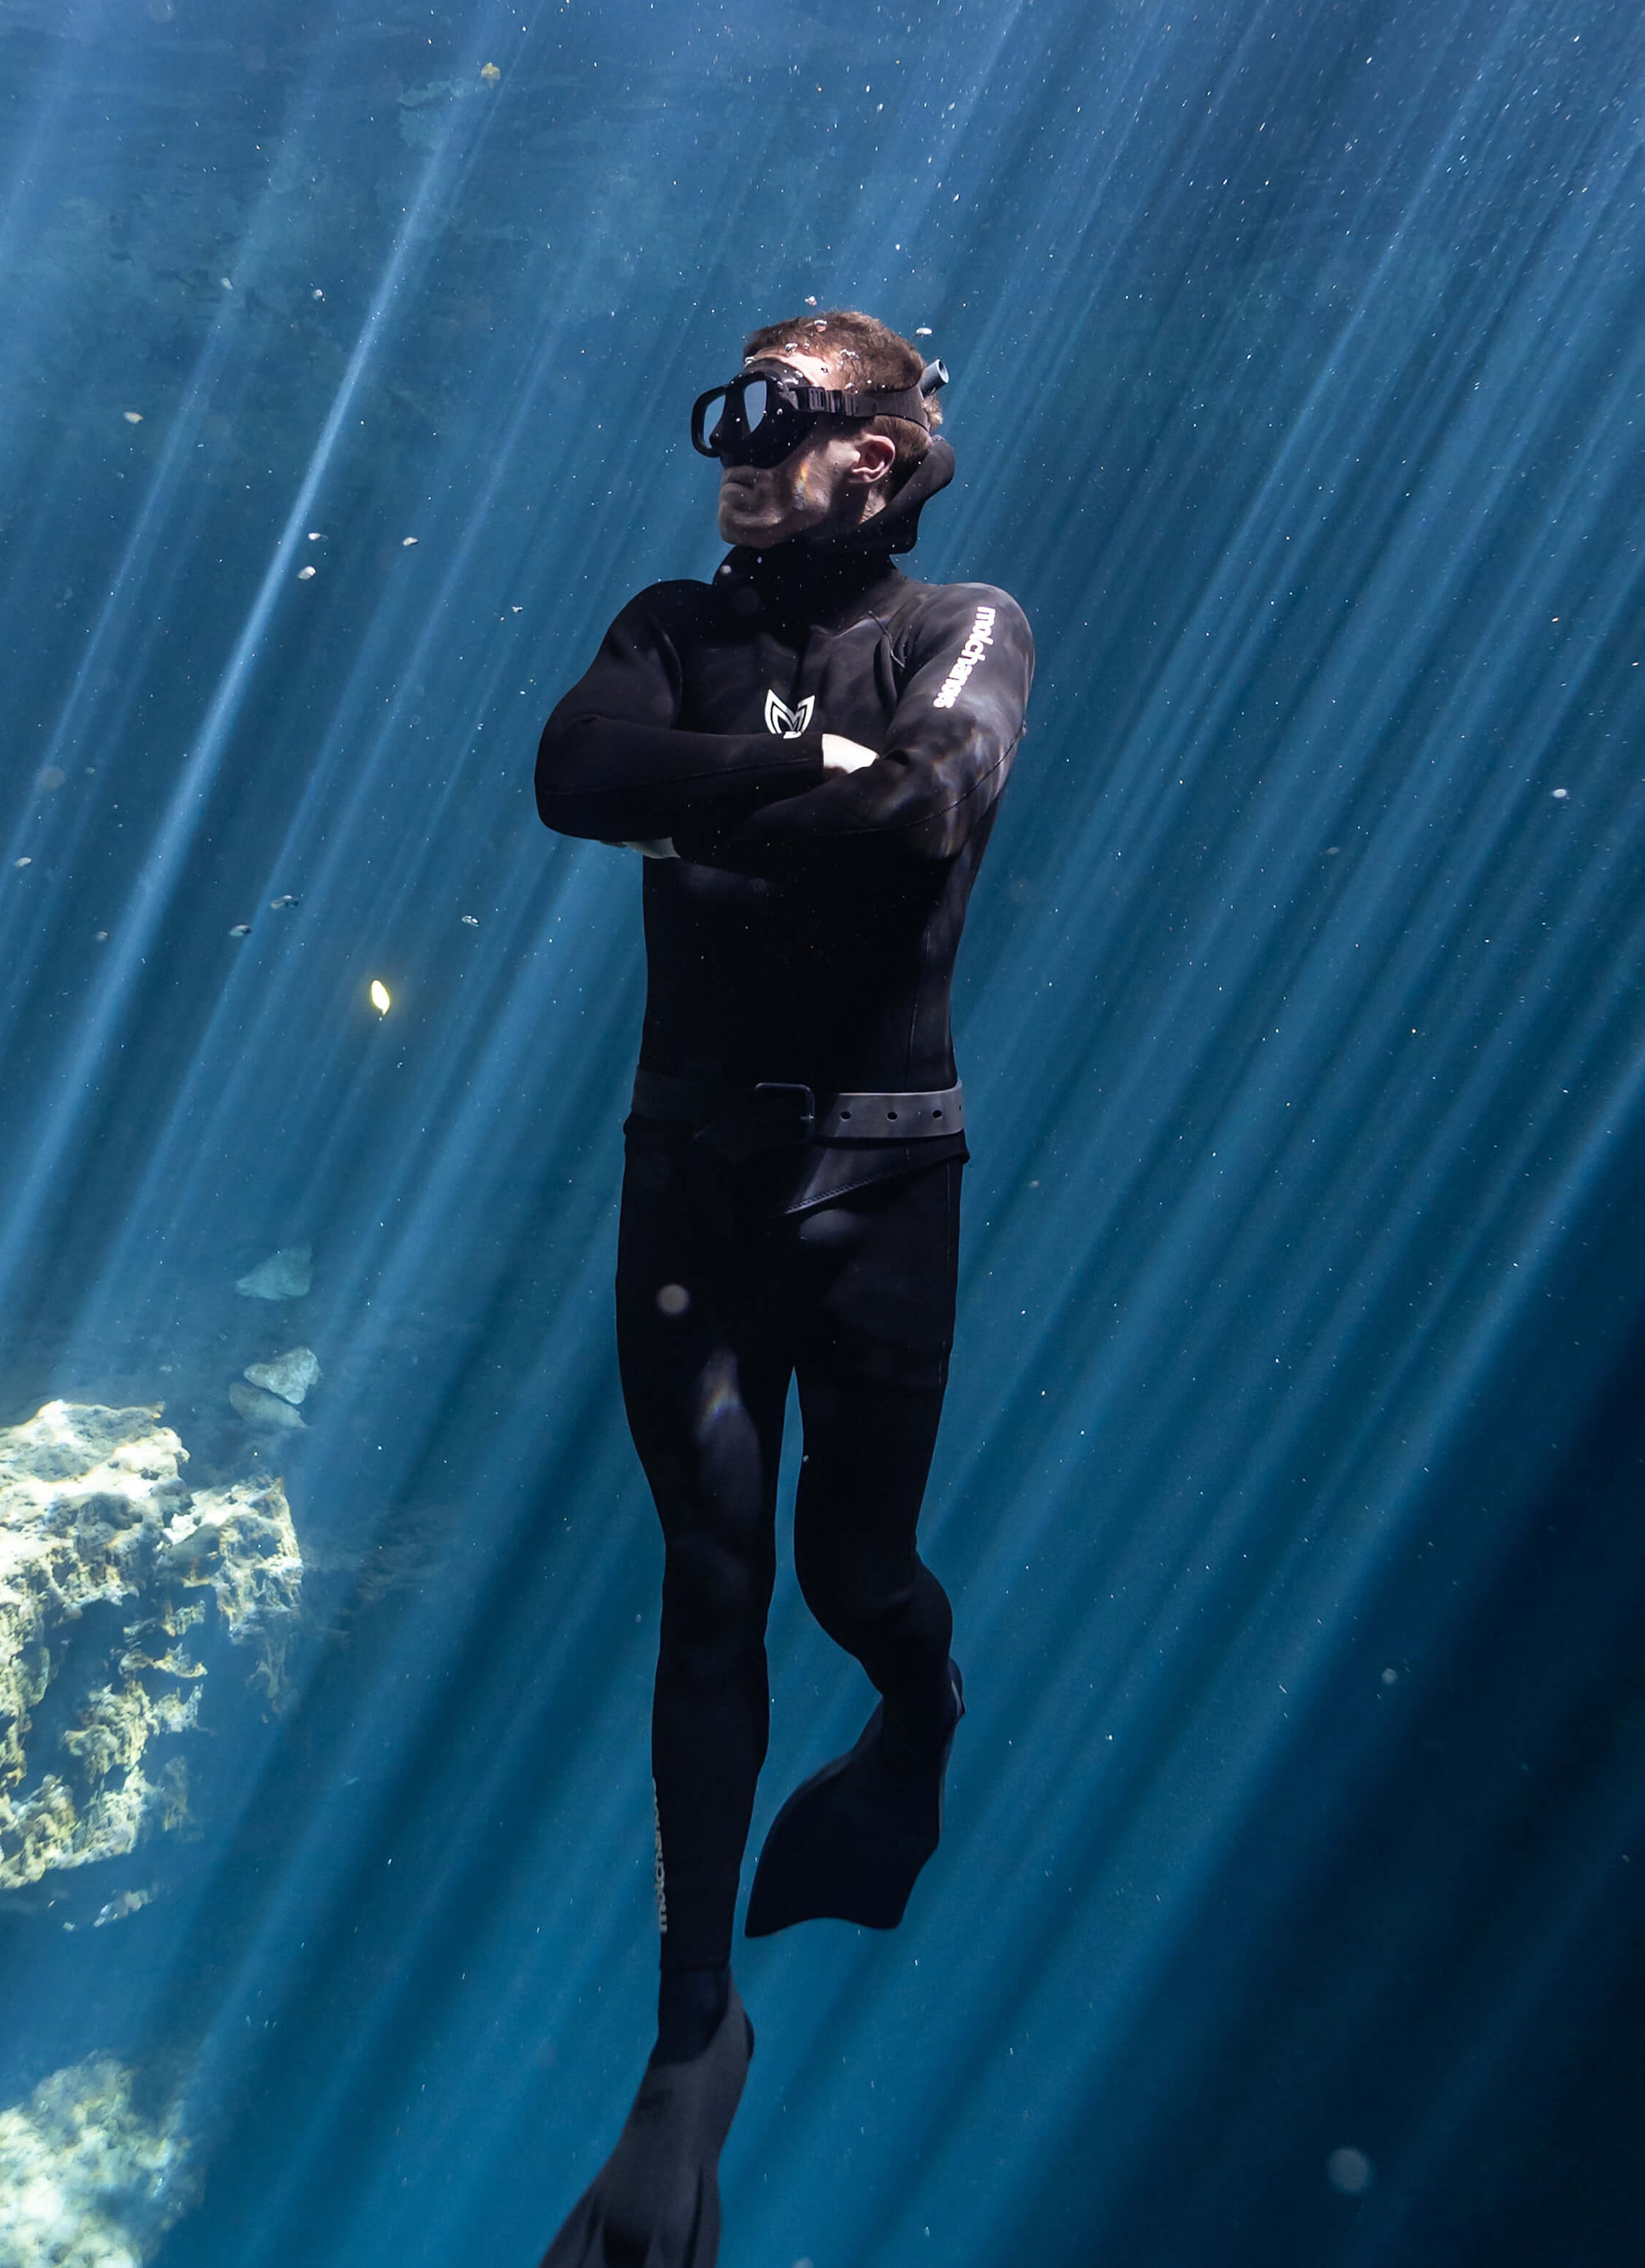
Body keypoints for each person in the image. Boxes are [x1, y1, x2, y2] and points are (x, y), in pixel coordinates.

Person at [532, 308, 1034, 2268]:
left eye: (786, 421)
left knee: (852, 1577)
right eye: (727, 415)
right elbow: (575, 771)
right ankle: (685, 2052)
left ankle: (919, 1708)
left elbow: (927, 808)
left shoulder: (966, 624)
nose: (738, 453)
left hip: (881, 1175)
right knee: (712, 1587)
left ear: (886, 458)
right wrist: (798, 759)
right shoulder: (670, 617)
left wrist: (712, 784)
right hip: (696, 1180)